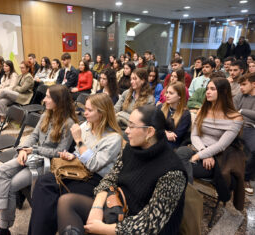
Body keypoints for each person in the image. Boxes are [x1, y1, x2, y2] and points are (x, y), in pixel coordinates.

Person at [57, 105, 188, 235]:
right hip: (116, 209)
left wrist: (102, 229)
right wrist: (96, 209)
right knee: (66, 202)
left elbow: (150, 224)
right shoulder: (131, 149)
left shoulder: (172, 171)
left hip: (140, 227)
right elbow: (110, 178)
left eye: (131, 126)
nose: (126, 131)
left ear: (150, 132)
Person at [0, 85, 77, 235]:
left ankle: (3, 228)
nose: (44, 99)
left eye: (48, 97)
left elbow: (58, 153)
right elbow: (33, 136)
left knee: (11, 184)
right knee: (2, 171)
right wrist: (22, 149)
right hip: (31, 156)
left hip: (45, 163)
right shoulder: (46, 115)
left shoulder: (69, 124)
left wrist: (33, 150)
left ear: (58, 100)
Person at [28, 93, 123, 235]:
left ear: (102, 113)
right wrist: (72, 155)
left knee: (52, 196)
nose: (84, 113)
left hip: (95, 180)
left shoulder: (113, 138)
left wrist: (78, 140)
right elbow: (79, 153)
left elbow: (93, 165)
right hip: (78, 170)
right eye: (85, 108)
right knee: (43, 182)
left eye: (89, 110)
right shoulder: (86, 126)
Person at [176, 77, 243, 183]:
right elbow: (194, 135)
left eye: (212, 89)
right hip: (198, 148)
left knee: (180, 166)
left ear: (223, 91)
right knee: (180, 153)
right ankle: (187, 192)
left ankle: (186, 192)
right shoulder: (203, 110)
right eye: (207, 89)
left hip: (217, 156)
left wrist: (198, 157)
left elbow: (221, 145)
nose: (208, 92)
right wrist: (203, 153)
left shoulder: (235, 117)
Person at [0, 61, 34, 129]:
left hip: (23, 97)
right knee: (2, 101)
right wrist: (16, 87)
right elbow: (16, 87)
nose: (21, 69)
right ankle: (2, 121)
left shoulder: (29, 77)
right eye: (20, 68)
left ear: (28, 69)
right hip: (17, 94)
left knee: (4, 91)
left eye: (23, 68)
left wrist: (15, 87)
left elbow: (22, 89)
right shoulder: (20, 75)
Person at [233, 73, 255, 195]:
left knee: (254, 149)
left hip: (250, 127)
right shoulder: (240, 96)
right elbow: (232, 109)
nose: (241, 87)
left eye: (244, 84)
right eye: (240, 85)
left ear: (254, 84)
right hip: (236, 125)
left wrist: (241, 111)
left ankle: (245, 179)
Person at [160, 81, 191, 148]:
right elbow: (153, 125)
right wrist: (166, 133)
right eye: (167, 92)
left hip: (172, 145)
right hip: (158, 140)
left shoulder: (185, 114)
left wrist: (160, 131)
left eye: (171, 93)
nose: (167, 95)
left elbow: (176, 136)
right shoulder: (161, 107)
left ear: (179, 96)